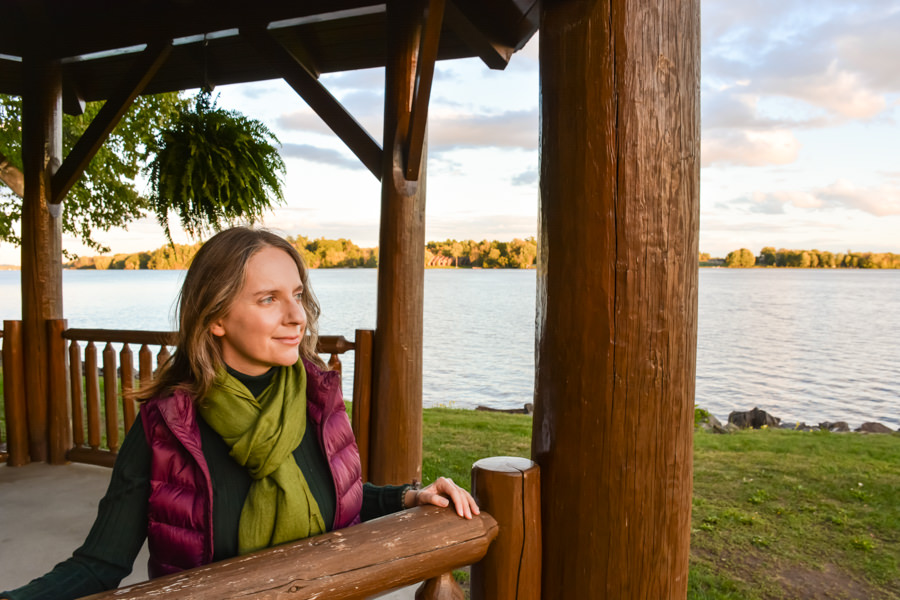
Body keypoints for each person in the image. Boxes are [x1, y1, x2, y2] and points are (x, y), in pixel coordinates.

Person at [2, 227, 478, 600]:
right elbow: (99, 564)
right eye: (269, 298)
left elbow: (338, 503)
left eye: (296, 294)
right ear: (216, 318)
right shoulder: (167, 427)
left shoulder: (319, 398)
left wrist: (408, 498)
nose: (297, 316)